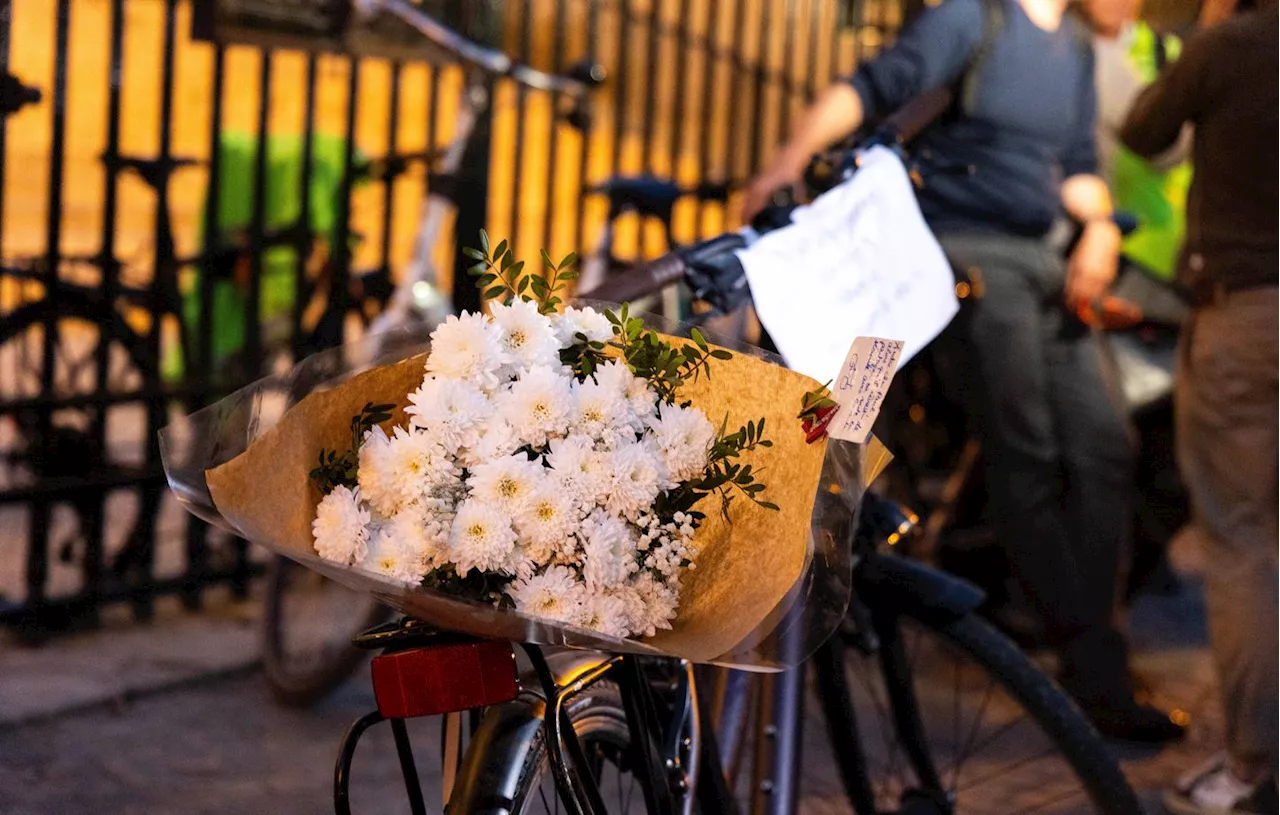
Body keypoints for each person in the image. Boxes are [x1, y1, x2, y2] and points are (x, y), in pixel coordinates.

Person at [743, 0, 1185, 742]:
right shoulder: (974, 20)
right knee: (1031, 450)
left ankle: (1090, 645)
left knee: (1107, 445)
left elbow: (1076, 164)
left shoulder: (1071, 47)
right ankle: (1090, 667)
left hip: (1047, 260)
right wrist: (783, 164)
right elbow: (870, 86)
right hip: (962, 254)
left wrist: (1102, 227)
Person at [1121, 0, 1280, 809]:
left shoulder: (1230, 46)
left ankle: (1252, 765)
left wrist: (1211, 29)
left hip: (1244, 317)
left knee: (1240, 543)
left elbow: (1141, 131)